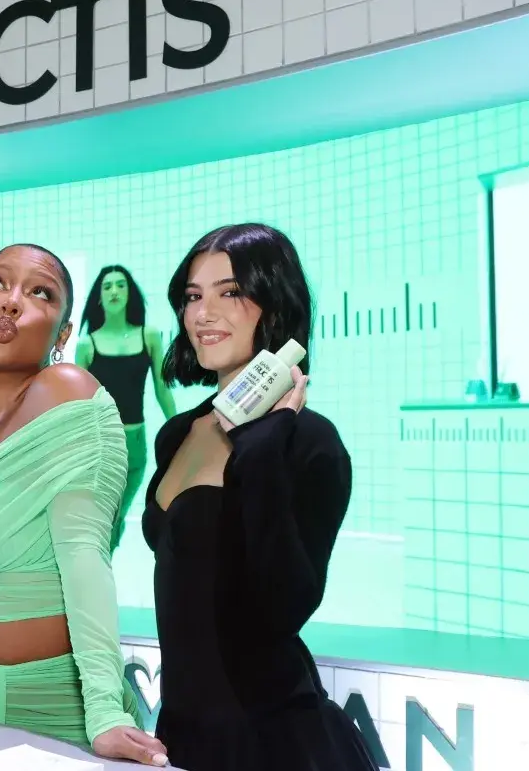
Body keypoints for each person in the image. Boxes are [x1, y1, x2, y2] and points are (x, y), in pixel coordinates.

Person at [0, 244, 169, 767]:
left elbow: (84, 555)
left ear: (63, 334)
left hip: (47, 704)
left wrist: (105, 711)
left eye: (39, 292)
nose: (11, 302)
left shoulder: (68, 393)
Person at [142, 223, 374, 770]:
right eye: (193, 297)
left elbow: (285, 605)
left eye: (230, 292)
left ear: (274, 304)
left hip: (273, 742)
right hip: (182, 734)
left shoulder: (310, 443)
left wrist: (264, 445)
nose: (203, 313)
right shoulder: (178, 432)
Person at [74, 265, 176, 550]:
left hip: (135, 447)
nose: (114, 291)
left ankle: (97, 577)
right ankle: (94, 580)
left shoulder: (149, 336)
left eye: (120, 285)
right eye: (107, 286)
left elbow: (162, 391)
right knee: (105, 517)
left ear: (130, 292)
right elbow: (77, 402)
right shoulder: (87, 344)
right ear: (99, 297)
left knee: (115, 517)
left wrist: (183, 431)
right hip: (100, 444)